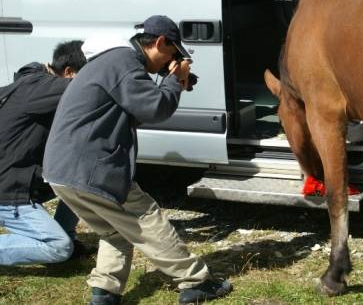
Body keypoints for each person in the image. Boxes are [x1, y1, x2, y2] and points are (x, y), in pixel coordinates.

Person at [43, 16, 232, 305]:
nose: (171, 61)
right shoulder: (123, 61)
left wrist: (173, 82)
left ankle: (104, 293)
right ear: (159, 43)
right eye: (172, 54)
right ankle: (195, 282)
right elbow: (155, 108)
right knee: (145, 217)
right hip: (92, 168)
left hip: (61, 170)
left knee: (114, 230)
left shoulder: (111, 62)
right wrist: (173, 82)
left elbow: (137, 108)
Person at [0, 40, 90, 265]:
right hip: (8, 190)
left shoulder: (32, 82)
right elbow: (93, 88)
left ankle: (65, 234)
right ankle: (60, 242)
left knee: (80, 178)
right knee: (57, 247)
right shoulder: (42, 87)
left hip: (22, 178)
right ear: (69, 73)